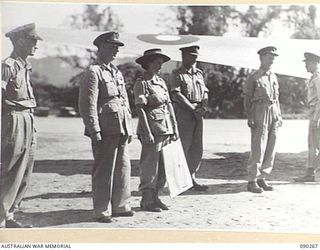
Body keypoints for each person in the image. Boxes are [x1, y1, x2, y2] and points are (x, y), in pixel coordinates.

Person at [78, 32, 134, 223]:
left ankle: (121, 205)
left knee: (123, 167)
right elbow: (87, 104)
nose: (116, 50)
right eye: (112, 46)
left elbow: (124, 100)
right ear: (101, 47)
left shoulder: (116, 72)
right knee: (104, 169)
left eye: (118, 47)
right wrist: (94, 130)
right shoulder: (93, 72)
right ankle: (102, 209)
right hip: (105, 127)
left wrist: (129, 126)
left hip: (121, 125)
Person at [1, 23, 42, 228]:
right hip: (13, 118)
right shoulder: (7, 66)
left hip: (28, 117)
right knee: (9, 166)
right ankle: (0, 217)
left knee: (25, 169)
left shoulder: (25, 66)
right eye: (32, 40)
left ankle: (9, 214)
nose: (36, 45)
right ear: (19, 41)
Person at [133, 48, 179, 212]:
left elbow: (168, 105)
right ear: (147, 64)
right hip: (151, 129)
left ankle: (156, 197)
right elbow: (140, 110)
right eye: (155, 63)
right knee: (150, 166)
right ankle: (147, 200)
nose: (159, 66)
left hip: (165, 128)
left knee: (164, 166)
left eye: (161, 63)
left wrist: (174, 127)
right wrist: (147, 132)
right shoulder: (142, 83)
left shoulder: (161, 82)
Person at [243, 46, 282, 193]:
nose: (272, 60)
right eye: (269, 57)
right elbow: (247, 99)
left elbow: (276, 98)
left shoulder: (273, 76)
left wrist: (279, 115)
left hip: (273, 111)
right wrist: (250, 116)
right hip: (259, 111)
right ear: (261, 58)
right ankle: (252, 180)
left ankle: (262, 177)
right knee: (258, 146)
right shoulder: (253, 77)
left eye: (273, 58)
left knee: (271, 146)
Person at [169, 45, 209, 191]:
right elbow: (176, 94)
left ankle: (191, 177)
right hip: (184, 112)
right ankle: (180, 181)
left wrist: (203, 106)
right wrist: (192, 109)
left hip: (198, 112)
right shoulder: (177, 74)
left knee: (197, 147)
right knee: (183, 146)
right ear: (183, 56)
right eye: (191, 56)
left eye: (195, 56)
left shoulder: (199, 74)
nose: (193, 59)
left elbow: (205, 92)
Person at [294, 52, 320, 182]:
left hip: (317, 114)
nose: (305, 65)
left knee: (317, 144)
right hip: (314, 113)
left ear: (315, 63)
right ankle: (310, 173)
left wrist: (316, 118)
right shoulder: (313, 78)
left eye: (308, 62)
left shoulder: (318, 78)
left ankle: (315, 174)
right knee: (312, 144)